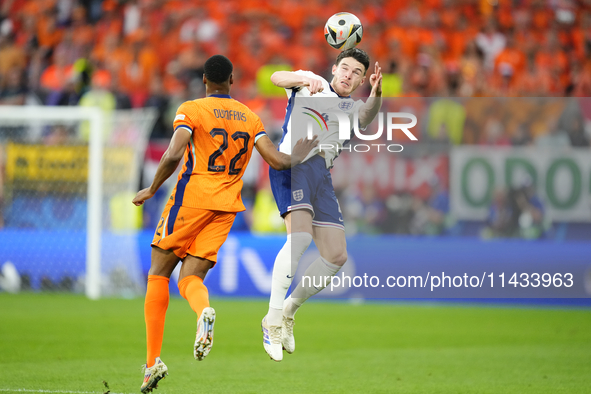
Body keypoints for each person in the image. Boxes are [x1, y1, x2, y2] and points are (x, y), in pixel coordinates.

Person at [132, 54, 317, 392]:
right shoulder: (250, 117)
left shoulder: (192, 109)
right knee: (191, 276)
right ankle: (203, 310)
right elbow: (276, 161)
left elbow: (174, 152)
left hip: (191, 199)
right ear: (232, 81)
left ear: (205, 80)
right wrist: (305, 156)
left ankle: (152, 362)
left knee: (159, 273)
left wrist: (152, 187)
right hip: (226, 208)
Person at [262, 48, 383, 361]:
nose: (348, 75)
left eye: (356, 73)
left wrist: (377, 94)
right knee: (299, 238)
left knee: (336, 255)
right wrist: (303, 77)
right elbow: (276, 77)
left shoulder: (350, 105)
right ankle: (272, 319)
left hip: (321, 176)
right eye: (345, 68)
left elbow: (367, 116)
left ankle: (289, 310)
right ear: (334, 68)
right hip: (293, 163)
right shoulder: (309, 83)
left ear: (360, 82)